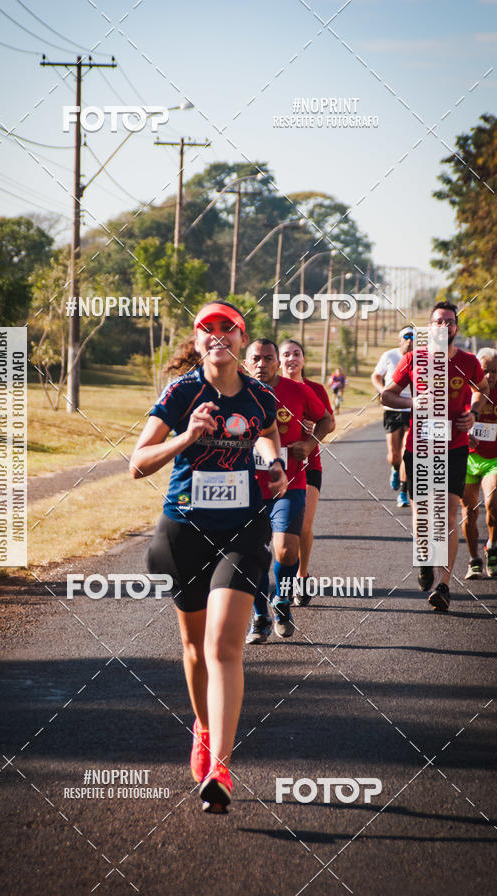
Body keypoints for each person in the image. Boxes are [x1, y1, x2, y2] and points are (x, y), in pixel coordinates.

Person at [130, 301, 288, 813]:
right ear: (197, 341)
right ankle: (202, 728)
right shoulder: (181, 392)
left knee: (224, 647)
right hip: (184, 531)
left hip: (243, 530)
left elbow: (268, 439)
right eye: (208, 328)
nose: (218, 335)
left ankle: (220, 766)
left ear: (242, 339)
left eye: (228, 328)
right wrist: (188, 436)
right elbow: (138, 464)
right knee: (195, 648)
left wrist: (275, 466)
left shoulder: (262, 395)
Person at [381, 301, 489, 612]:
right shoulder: (415, 358)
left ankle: (444, 585)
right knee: (423, 516)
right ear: (429, 328)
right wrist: (412, 402)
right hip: (419, 448)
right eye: (437, 322)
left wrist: (473, 414)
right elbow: (387, 395)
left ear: (456, 327)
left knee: (448, 515)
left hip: (454, 447)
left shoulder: (468, 362)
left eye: (449, 322)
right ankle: (425, 557)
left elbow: (482, 390)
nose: (443, 326)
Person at [243, 338, 332, 642]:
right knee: (251, 556)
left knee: (285, 549)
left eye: (268, 359)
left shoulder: (297, 391)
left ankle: (282, 601)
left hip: (290, 483)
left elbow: (326, 420)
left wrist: (308, 444)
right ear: (245, 363)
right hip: (246, 489)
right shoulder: (236, 392)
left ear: (277, 363)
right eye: (255, 358)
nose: (261, 364)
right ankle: (259, 616)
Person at [279, 338, 336, 602]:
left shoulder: (314, 389)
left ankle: (302, 576)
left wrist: (312, 436)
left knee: (303, 525)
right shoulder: (268, 388)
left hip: (308, 464)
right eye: (286, 354)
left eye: (297, 354)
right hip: (273, 466)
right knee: (279, 531)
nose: (292, 358)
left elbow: (330, 422)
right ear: (279, 359)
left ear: (303, 359)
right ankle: (283, 579)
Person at [460, 348, 497, 579]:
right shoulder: (466, 391)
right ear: (477, 370)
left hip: (495, 457)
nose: (489, 376)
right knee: (469, 512)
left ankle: (492, 547)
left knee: (493, 506)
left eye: (494, 371)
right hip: (467, 457)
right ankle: (474, 558)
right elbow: (452, 417)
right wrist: (464, 434)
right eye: (485, 371)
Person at [371, 327, 415, 508]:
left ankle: (404, 492)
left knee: (407, 451)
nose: (410, 340)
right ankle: (395, 468)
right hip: (392, 409)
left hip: (412, 409)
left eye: (413, 336)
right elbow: (375, 376)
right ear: (399, 339)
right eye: (406, 336)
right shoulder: (389, 356)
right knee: (394, 455)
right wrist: (383, 392)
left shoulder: (420, 358)